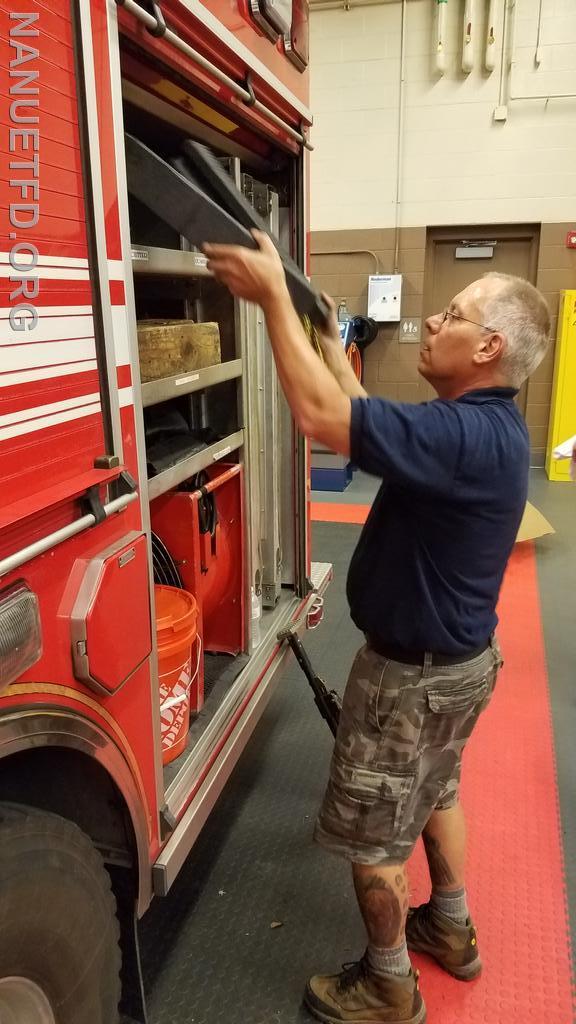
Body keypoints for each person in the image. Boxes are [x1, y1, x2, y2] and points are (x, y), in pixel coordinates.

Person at [203, 232, 551, 1024]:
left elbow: (325, 420)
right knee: (435, 791)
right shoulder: (481, 428)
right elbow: (358, 412)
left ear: (489, 346)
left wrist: (266, 305)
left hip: (411, 681)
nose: (433, 320)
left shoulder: (459, 438)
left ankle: (389, 982)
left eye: (453, 315)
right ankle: (450, 927)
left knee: (374, 837)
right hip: (461, 664)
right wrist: (327, 335)